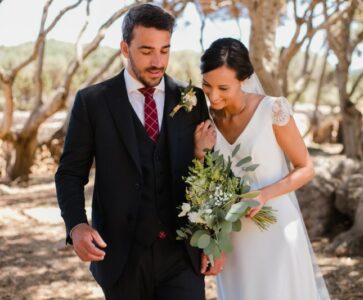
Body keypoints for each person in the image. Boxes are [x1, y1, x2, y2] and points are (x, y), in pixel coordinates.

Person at [55, 4, 217, 299]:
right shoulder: (92, 102)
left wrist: (214, 239)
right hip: (121, 256)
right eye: (146, 51)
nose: (158, 61)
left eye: (165, 50)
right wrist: (76, 225)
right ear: (124, 48)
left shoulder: (191, 99)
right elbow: (70, 172)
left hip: (182, 254)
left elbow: (206, 171)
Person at [197, 38, 331, 300]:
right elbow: (204, 180)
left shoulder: (273, 110)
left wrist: (263, 195)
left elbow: (306, 167)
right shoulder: (204, 119)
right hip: (232, 239)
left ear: (244, 79)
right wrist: (199, 152)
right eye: (207, 85)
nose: (213, 96)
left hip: (277, 231)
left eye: (223, 87)